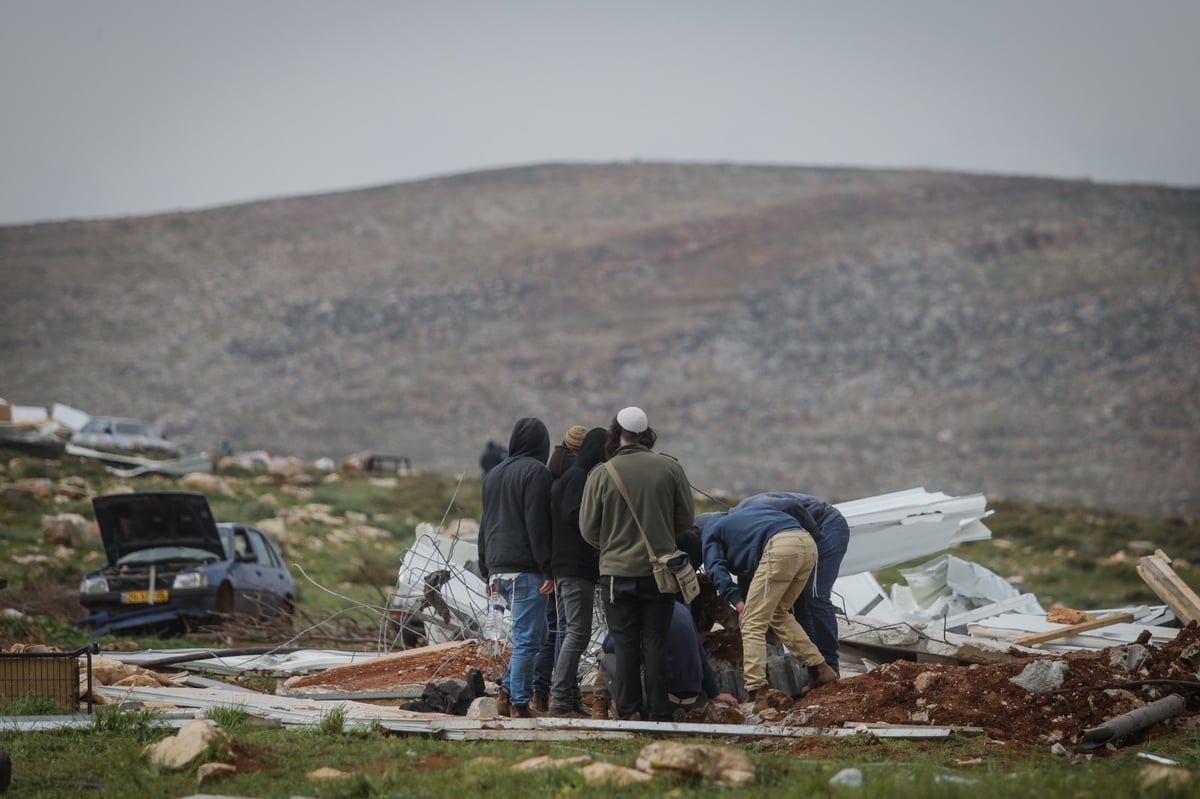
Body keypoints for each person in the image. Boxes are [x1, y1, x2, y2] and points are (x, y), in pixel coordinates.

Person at [580, 405, 695, 722]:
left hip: (617, 576)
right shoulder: (670, 469)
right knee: (655, 642)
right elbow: (685, 520)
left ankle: (629, 711)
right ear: (647, 434)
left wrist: (614, 546)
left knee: (626, 644)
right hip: (660, 575)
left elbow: (588, 529)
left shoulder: (602, 473)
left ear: (615, 434)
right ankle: (659, 710)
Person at [701, 503, 839, 706]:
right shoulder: (746, 517)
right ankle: (820, 669)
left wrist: (738, 603)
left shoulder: (710, 530)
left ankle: (758, 691)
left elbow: (715, 569)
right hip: (807, 544)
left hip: (780, 547)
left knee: (751, 621)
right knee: (778, 612)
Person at [477, 418, 554, 718]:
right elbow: (538, 525)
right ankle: (520, 705)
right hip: (526, 568)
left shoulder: (493, 475)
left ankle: (506, 691)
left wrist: (486, 570)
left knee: (538, 632)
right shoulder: (536, 473)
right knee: (527, 637)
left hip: (498, 567)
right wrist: (547, 569)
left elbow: (485, 526)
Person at [733, 492, 850, 672]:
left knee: (815, 595)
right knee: (797, 602)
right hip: (806, 534)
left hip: (826, 527)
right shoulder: (740, 532)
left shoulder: (753, 509)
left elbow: (792, 505)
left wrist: (811, 538)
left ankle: (831, 665)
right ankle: (816, 668)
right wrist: (746, 605)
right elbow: (748, 571)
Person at [547, 426, 607, 716]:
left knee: (573, 632)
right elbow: (575, 516)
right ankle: (559, 700)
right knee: (577, 633)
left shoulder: (570, 475)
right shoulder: (580, 478)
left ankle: (569, 698)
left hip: (567, 565)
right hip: (575, 566)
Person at [595, 599, 738, 719]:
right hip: (694, 699)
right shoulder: (681, 609)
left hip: (660, 699)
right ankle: (678, 711)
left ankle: (620, 710)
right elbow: (702, 658)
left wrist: (619, 620)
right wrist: (715, 694)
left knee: (606, 658)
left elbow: (609, 646)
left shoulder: (639, 608)